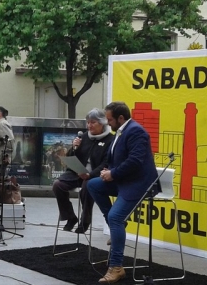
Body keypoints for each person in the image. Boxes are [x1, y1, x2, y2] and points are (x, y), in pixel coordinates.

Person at [87, 102, 158, 283]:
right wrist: (107, 171)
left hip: (139, 184)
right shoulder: (120, 131)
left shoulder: (136, 131)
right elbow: (117, 158)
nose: (107, 123)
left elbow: (135, 160)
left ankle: (117, 267)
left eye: (109, 119)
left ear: (120, 118)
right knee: (93, 185)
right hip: (124, 181)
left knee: (116, 216)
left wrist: (113, 173)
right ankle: (114, 228)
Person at [53, 108, 114, 234]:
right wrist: (74, 147)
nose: (89, 125)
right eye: (88, 122)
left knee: (87, 188)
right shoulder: (84, 137)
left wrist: (90, 174)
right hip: (77, 172)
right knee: (58, 185)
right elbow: (71, 157)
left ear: (102, 123)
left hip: (95, 175)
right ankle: (70, 217)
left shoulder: (110, 140)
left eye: (93, 122)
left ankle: (84, 222)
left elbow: (106, 163)